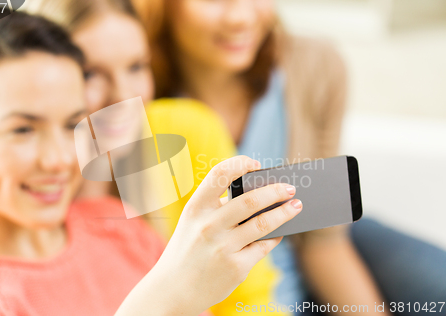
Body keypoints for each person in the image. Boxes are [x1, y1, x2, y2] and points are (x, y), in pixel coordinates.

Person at [0, 11, 304, 315]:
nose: (58, 160)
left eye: (72, 123)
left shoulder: (121, 229)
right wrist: (168, 298)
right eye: (22, 129)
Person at [132, 0, 446, 315]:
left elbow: (323, 241)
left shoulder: (315, 67)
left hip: (311, 251)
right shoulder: (140, 103)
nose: (240, 16)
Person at [24, 0, 282, 313]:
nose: (123, 95)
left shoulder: (188, 131)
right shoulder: (24, 191)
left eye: (136, 67)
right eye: (91, 73)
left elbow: (251, 299)